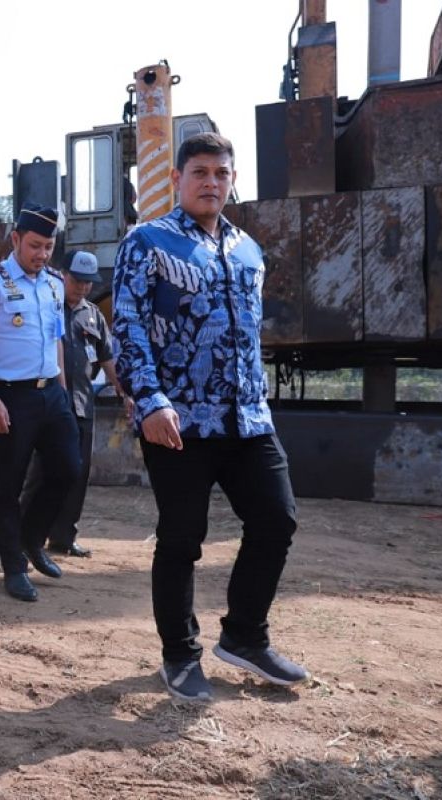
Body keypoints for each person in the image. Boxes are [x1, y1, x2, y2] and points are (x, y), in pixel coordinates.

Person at [112, 132, 307, 702]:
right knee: (182, 539)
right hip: (177, 423)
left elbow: (248, 338)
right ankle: (180, 654)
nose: (211, 182)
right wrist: (149, 401)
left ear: (232, 180)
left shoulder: (249, 250)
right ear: (177, 179)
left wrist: (258, 401)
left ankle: (245, 636)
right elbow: (128, 327)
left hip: (247, 419)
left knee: (277, 519)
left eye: (221, 173)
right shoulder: (148, 242)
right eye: (199, 172)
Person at [0, 203, 79, 603]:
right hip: (11, 395)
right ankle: (13, 563)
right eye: (34, 246)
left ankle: (32, 539)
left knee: (68, 468)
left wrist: (61, 387)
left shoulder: (53, 283)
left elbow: (56, 339)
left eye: (48, 247)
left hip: (51, 393)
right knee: (8, 482)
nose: (42, 254)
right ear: (15, 240)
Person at [20, 251, 130, 559]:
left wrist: (125, 393)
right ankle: (24, 535)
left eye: (88, 282)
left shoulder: (93, 314)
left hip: (82, 406)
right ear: (62, 274)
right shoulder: (47, 306)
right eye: (76, 280)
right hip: (50, 407)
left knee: (77, 474)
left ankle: (63, 536)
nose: (82, 287)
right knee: (42, 473)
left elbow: (107, 357)